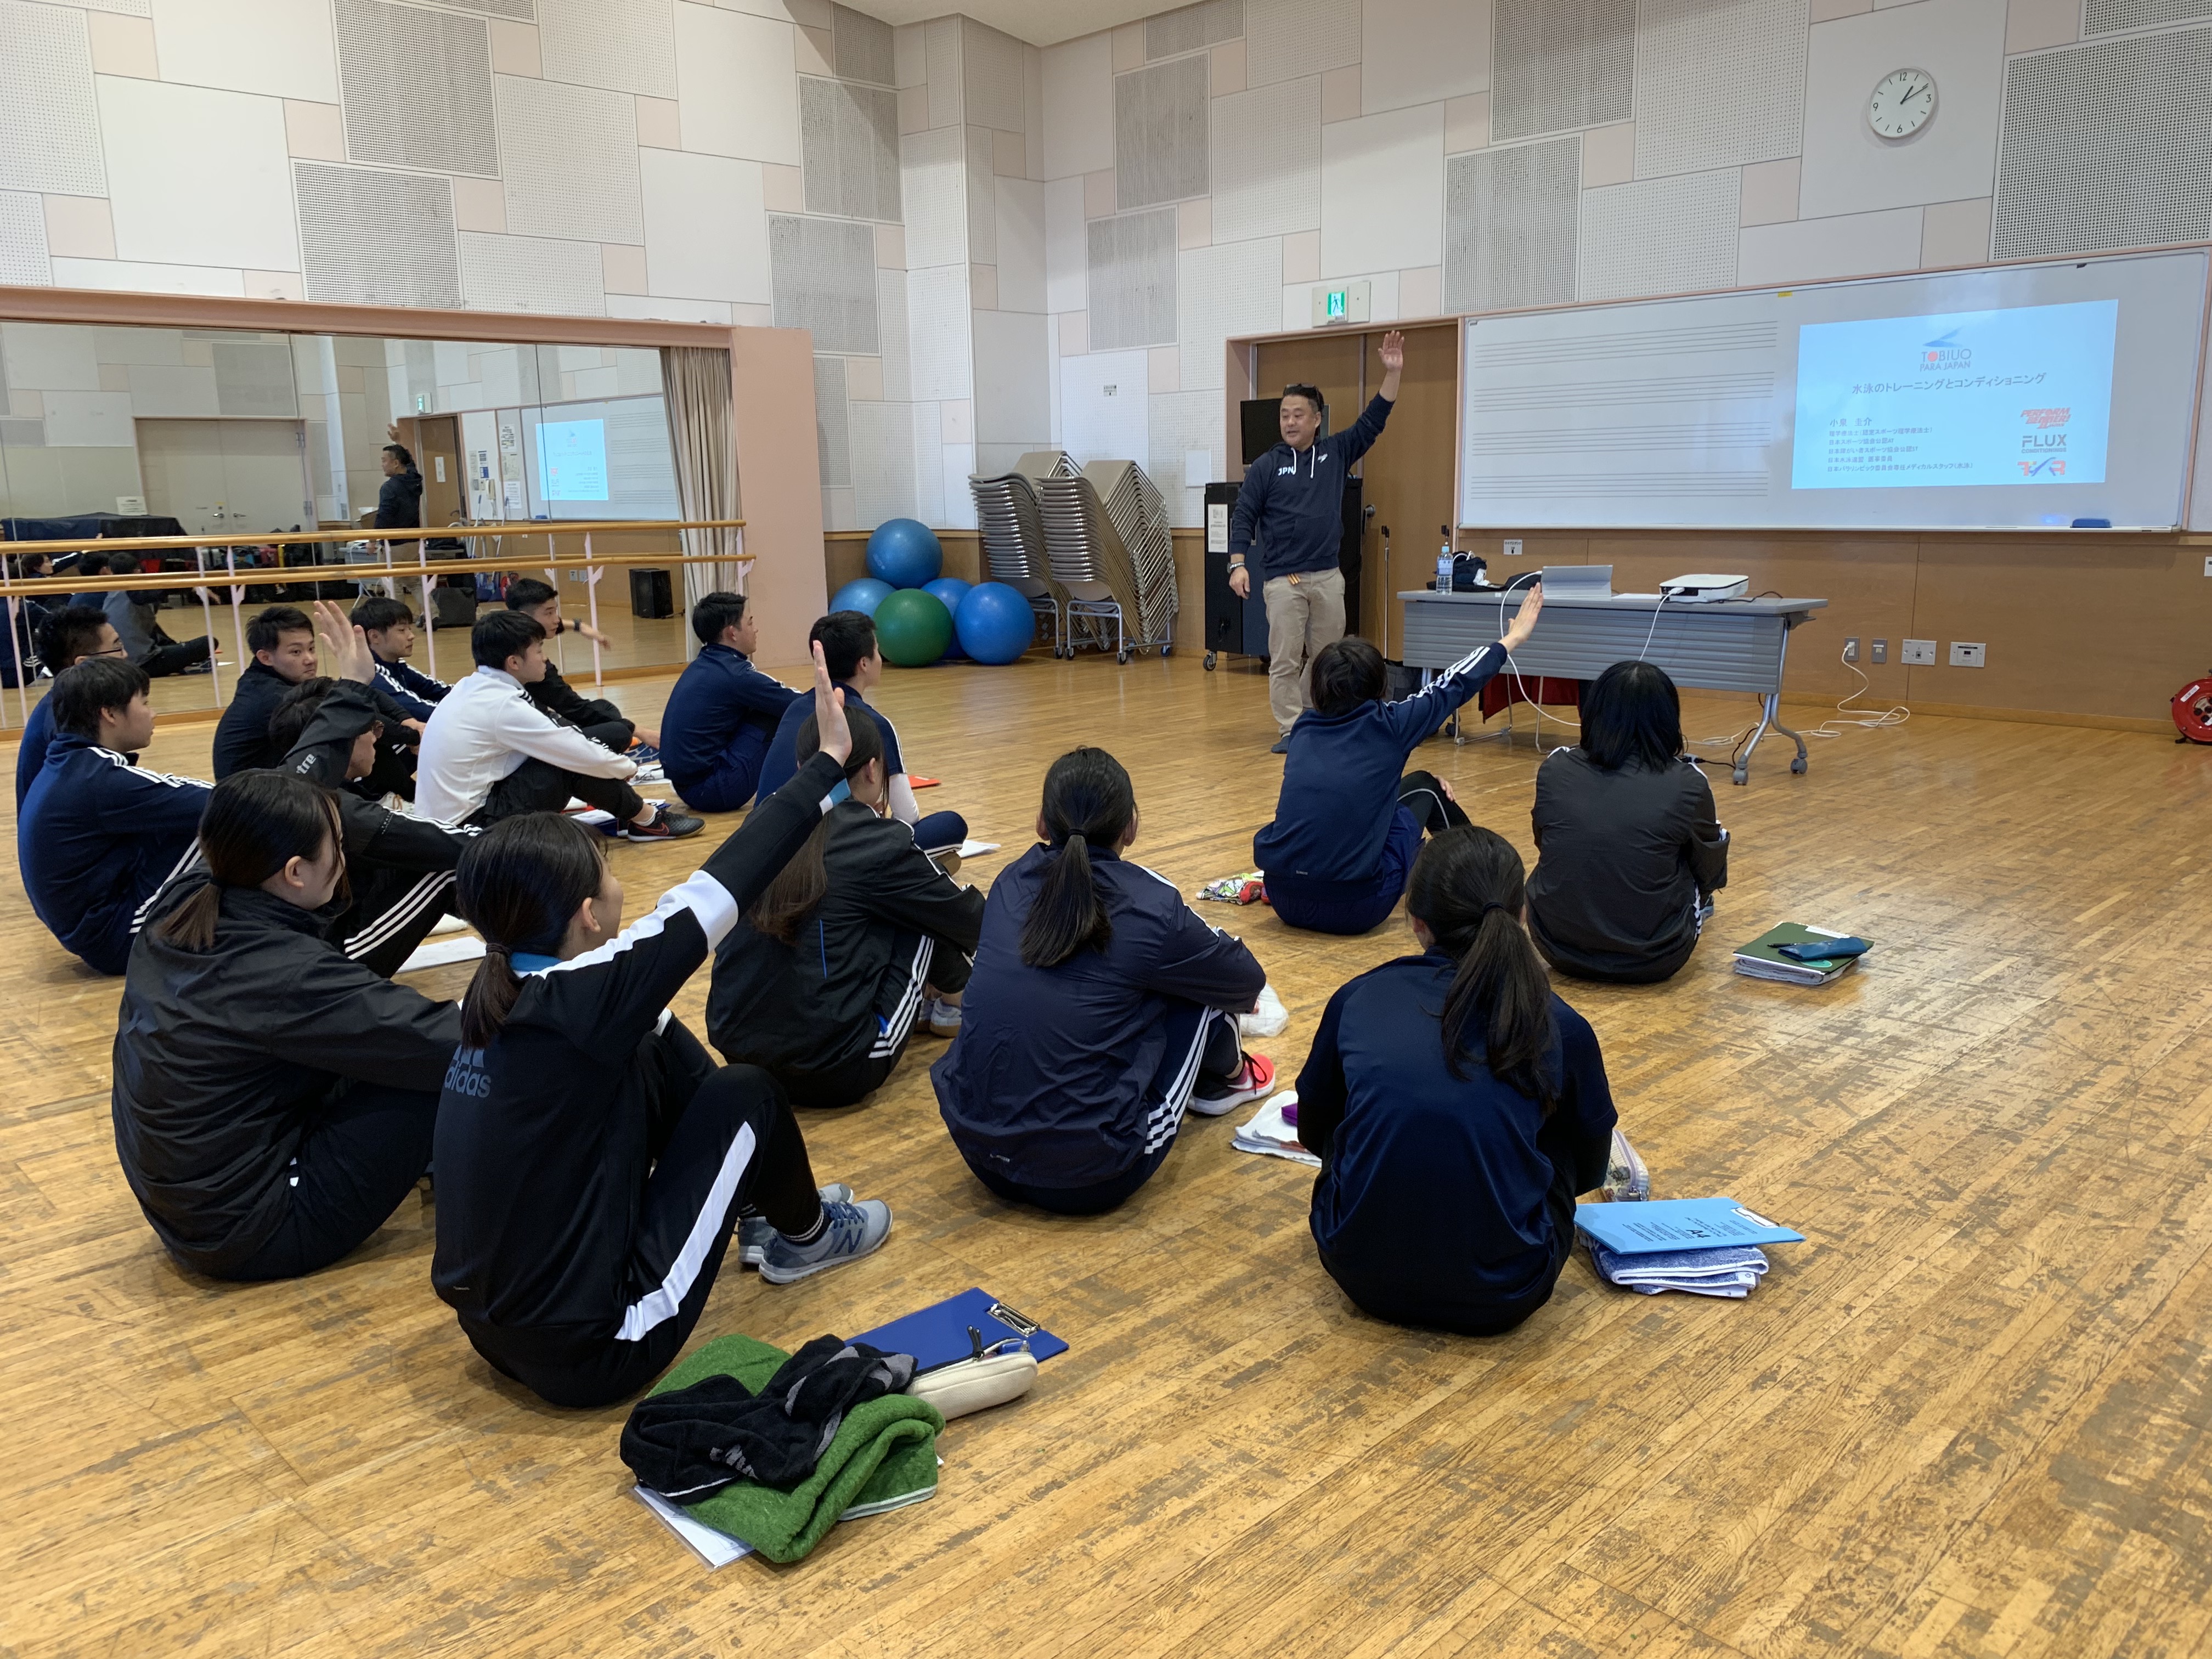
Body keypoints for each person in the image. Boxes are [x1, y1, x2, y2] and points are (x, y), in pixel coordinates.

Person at [431, 646, 893, 1409]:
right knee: (750, 1093)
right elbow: (726, 880)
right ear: (589, 915)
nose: (622, 886)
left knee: (659, 1040)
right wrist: (827, 766)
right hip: (599, 1347)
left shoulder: (499, 992)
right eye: (609, 873)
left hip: (497, 1332)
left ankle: (765, 1203)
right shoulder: (587, 997)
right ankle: (809, 1238)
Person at [111, 770, 457, 1280]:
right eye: (338, 846)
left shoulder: (187, 897)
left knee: (380, 1047)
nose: (345, 859)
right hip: (256, 1231)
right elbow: (443, 1042)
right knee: (444, 1068)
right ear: (295, 873)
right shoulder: (283, 972)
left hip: (186, 1205)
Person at [1295, 826, 1633, 1336]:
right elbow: (1588, 1166)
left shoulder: (1357, 998)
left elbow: (1314, 1129)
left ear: (1416, 921)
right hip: (1507, 1292)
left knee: (1360, 1115)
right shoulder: (1562, 1024)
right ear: (1522, 913)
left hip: (1359, 1274)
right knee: (1560, 1130)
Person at [933, 748, 1276, 1215]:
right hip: (1091, 1177)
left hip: (980, 1155)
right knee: (1201, 991)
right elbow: (1245, 982)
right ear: (1130, 827)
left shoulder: (1009, 882)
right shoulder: (1152, 904)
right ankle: (1232, 1080)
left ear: (1041, 823)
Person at [708, 709, 984, 1108]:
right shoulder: (877, 839)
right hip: (837, 1068)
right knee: (921, 909)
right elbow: (972, 922)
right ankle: (954, 1003)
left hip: (737, 1053)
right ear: (872, 770)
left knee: (869, 906)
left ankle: (940, 1000)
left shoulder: (761, 821)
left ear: (802, 768)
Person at [1255, 592, 1541, 936]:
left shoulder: (1302, 730)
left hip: (1285, 899)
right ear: (1379, 685)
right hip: (1357, 909)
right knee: (1427, 789)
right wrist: (1512, 640)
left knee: (1405, 790)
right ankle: (1483, 884)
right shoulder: (1390, 724)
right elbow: (1455, 683)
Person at [1228, 331, 1406, 753]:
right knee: (1285, 659)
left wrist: (1393, 373)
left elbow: (1374, 419)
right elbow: (1244, 515)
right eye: (1284, 416)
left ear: (1316, 419)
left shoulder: (1336, 453)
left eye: (1298, 415)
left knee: (1328, 659)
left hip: (1327, 577)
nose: (1290, 422)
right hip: (1283, 581)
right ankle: (1290, 729)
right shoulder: (1266, 466)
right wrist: (1238, 563)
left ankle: (1311, 716)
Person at [414, 609, 701, 839]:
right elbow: (573, 751)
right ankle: (648, 820)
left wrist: (611, 762)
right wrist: (627, 768)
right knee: (569, 763)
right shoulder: (501, 705)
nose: (545, 658)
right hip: (471, 829)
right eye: (539, 650)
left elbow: (561, 732)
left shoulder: (476, 686)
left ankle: (639, 817)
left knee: (599, 740)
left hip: (457, 816)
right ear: (514, 662)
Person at [1526, 661, 1729, 984]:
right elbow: (1709, 871)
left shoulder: (1555, 766)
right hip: (1656, 958)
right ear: (1668, 717)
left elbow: (1544, 841)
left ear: (1593, 712)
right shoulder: (1689, 782)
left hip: (1555, 948)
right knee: (1706, 843)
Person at [20, 658, 210, 975]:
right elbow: (219, 799)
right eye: (144, 703)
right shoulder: (96, 779)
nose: (153, 713)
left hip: (94, 928)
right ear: (109, 714)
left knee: (181, 816)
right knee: (221, 821)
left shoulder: (69, 762)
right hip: (116, 939)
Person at [757, 611, 966, 859]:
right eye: (877, 651)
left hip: (762, 846)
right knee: (951, 825)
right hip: (821, 854)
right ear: (864, 663)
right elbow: (907, 817)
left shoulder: (795, 707)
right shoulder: (875, 723)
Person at [660, 590, 801, 812]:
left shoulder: (705, 663)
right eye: (750, 622)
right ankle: (798, 792)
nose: (756, 629)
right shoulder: (736, 674)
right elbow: (799, 704)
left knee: (765, 705)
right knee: (784, 713)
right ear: (732, 633)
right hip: (713, 791)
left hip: (688, 787)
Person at [503, 577, 661, 760]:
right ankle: (620, 748)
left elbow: (555, 624)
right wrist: (642, 732)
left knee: (603, 708)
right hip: (539, 742)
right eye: (549, 613)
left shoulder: (507, 636)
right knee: (618, 731)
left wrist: (580, 626)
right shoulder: (528, 666)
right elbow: (574, 708)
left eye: (555, 611)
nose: (556, 620)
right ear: (525, 617)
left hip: (543, 722)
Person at [16, 604, 126, 808]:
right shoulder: (69, 718)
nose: (126, 655)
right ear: (83, 663)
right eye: (117, 647)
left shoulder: (67, 701)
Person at [99, 553, 213, 677]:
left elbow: (154, 630)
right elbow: (158, 592)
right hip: (143, 663)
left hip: (119, 662)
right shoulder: (134, 593)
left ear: (111, 572)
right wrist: (191, 586)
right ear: (137, 572)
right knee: (208, 643)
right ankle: (183, 665)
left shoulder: (111, 594)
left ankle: (181, 662)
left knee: (169, 644)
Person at [351, 595, 450, 722]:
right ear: (375, 636)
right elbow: (424, 712)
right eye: (402, 630)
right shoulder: (372, 676)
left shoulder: (397, 664)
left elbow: (437, 689)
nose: (411, 636)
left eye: (410, 629)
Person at [375, 428, 424, 544]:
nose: (382, 465)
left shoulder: (389, 488)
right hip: (415, 542)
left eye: (384, 461)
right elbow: (408, 461)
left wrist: (372, 539)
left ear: (396, 463)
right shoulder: (413, 479)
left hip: (395, 544)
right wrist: (398, 441)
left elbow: (384, 516)